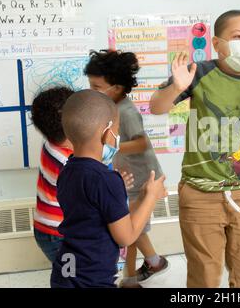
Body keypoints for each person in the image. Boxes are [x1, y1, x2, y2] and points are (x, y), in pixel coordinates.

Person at [150, 10, 240, 288]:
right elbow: (156, 108)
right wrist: (175, 87)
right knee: (205, 272)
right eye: (238, 37)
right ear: (217, 43)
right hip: (201, 193)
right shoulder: (198, 73)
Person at [50, 90, 167, 288]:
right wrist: (151, 197)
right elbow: (126, 237)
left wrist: (139, 197)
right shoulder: (105, 179)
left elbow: (103, 215)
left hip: (64, 272)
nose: (118, 136)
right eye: (118, 130)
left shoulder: (67, 171)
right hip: (91, 279)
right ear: (106, 132)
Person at [85, 50, 168, 287]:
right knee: (130, 228)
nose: (92, 91)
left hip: (142, 179)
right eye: (90, 85)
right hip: (126, 177)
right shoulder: (111, 107)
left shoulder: (127, 112)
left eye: (97, 87)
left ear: (118, 87)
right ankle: (131, 277)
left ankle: (150, 263)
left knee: (130, 227)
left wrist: (110, 146)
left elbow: (142, 142)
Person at [30, 87, 74, 263]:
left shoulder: (50, 141)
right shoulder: (69, 162)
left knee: (72, 276)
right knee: (73, 278)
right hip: (58, 235)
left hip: (48, 228)